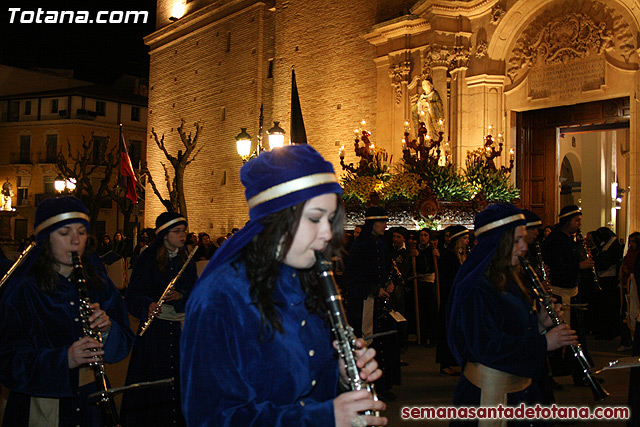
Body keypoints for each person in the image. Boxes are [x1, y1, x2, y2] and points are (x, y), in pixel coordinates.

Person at [180, 144, 386, 427]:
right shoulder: (220, 295)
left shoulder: (308, 279)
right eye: (315, 218)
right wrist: (323, 418)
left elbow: (307, 382)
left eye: (330, 219)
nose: (327, 233)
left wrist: (339, 376)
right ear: (276, 218)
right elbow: (213, 418)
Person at [0, 196, 134, 427]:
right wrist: (64, 359)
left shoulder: (98, 284)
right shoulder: (24, 290)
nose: (75, 241)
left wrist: (108, 330)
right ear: (46, 239)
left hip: (93, 401)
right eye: (64, 233)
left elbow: (123, 343)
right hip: (42, 406)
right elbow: (8, 362)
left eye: (81, 232)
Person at [448, 204, 578, 424]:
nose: (524, 247)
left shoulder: (510, 278)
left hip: (518, 391)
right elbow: (485, 345)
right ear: (499, 243)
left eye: (523, 239)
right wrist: (543, 343)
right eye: (517, 240)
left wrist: (539, 323)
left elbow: (510, 327)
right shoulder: (477, 286)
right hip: (489, 396)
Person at [120, 212, 197, 427]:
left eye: (184, 231)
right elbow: (133, 295)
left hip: (181, 329)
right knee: (154, 383)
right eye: (177, 231)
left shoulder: (186, 258)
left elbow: (197, 292)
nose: (183, 236)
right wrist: (148, 305)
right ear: (164, 234)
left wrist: (182, 295)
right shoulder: (147, 258)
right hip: (156, 332)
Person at [344, 206, 400, 400]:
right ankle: (366, 388)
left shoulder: (382, 245)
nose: (386, 225)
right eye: (382, 222)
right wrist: (374, 290)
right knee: (367, 342)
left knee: (382, 341)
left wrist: (390, 283)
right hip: (363, 304)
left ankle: (382, 385)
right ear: (372, 224)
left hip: (379, 304)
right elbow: (352, 278)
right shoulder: (360, 246)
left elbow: (387, 269)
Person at [542, 205, 595, 385]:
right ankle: (550, 374)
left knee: (576, 335)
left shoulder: (569, 239)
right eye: (576, 220)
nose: (579, 224)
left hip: (572, 292)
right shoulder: (555, 240)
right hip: (559, 295)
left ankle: (580, 372)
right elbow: (557, 267)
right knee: (558, 335)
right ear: (567, 221)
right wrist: (580, 266)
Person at [436, 225, 468, 375]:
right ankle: (445, 363)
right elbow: (449, 279)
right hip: (450, 298)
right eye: (465, 238)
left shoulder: (462, 254)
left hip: (459, 298)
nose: (467, 241)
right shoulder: (449, 256)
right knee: (447, 328)